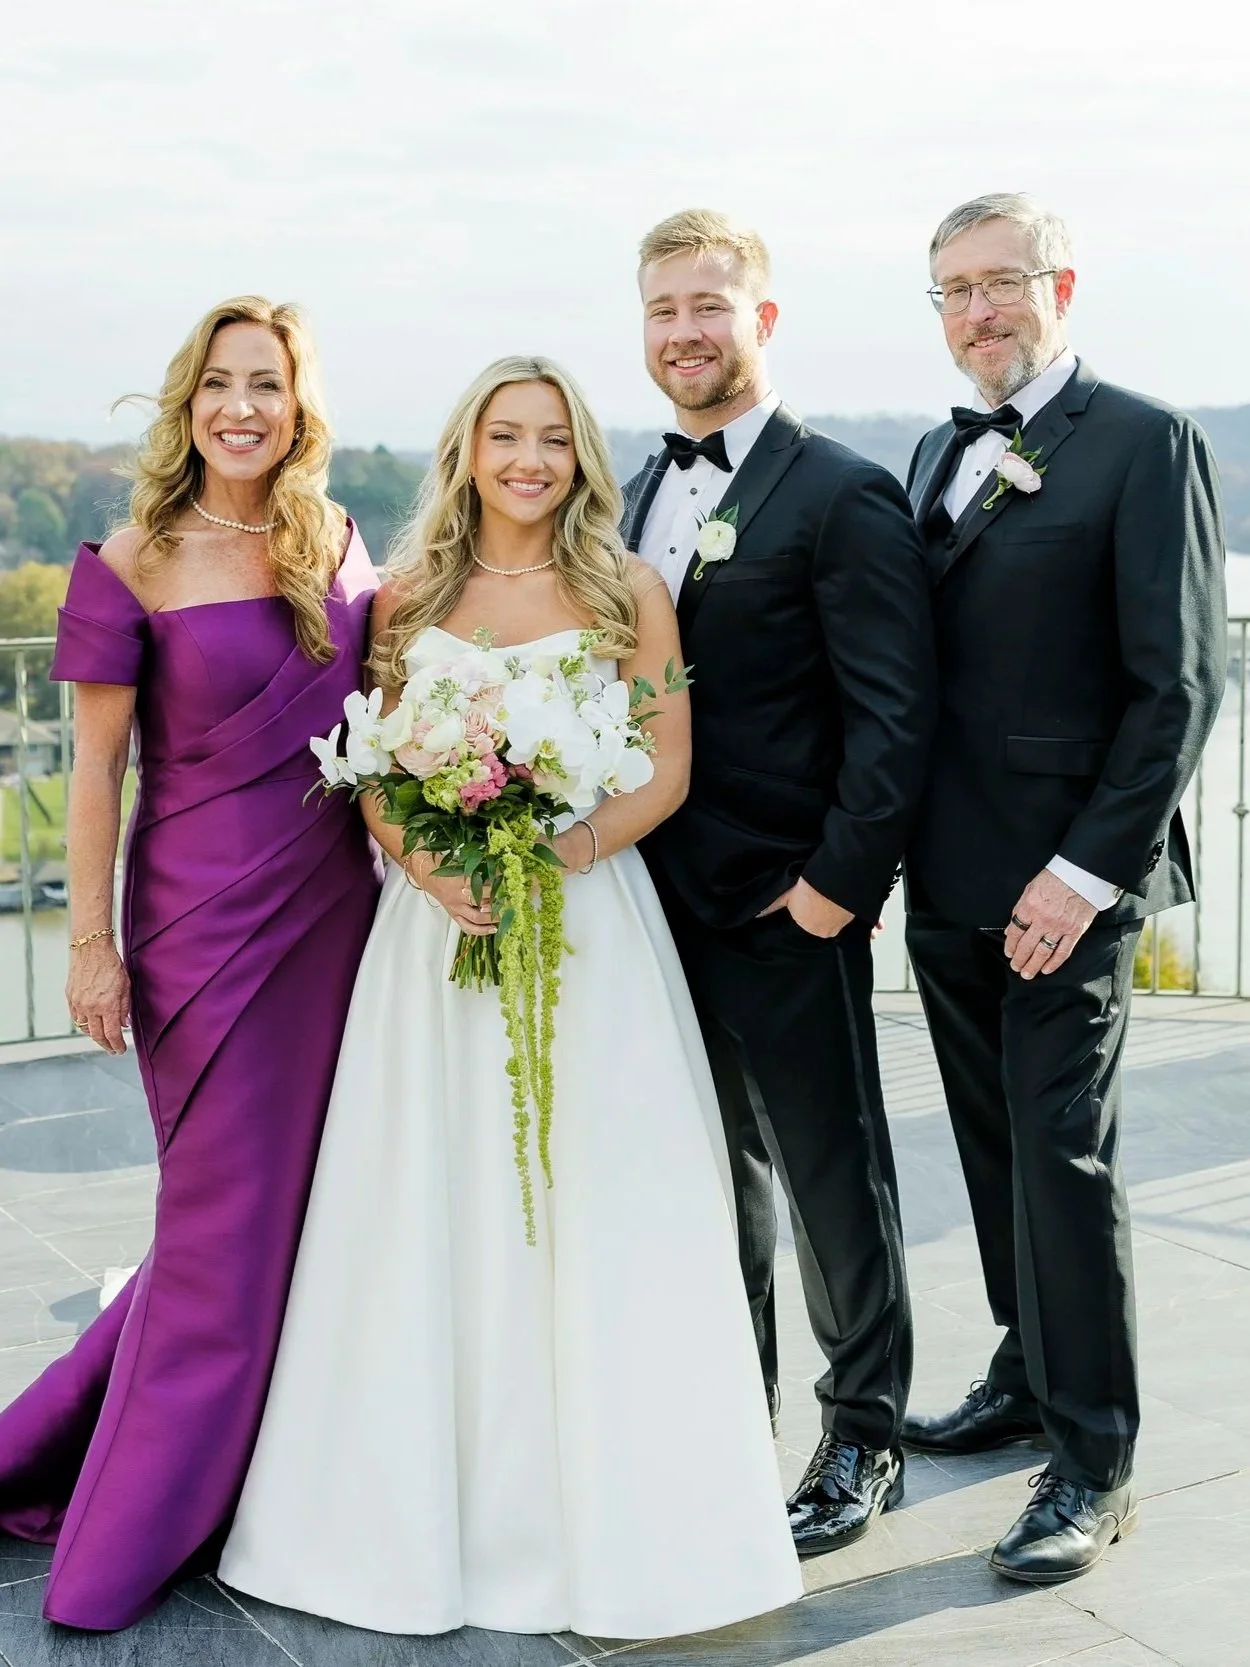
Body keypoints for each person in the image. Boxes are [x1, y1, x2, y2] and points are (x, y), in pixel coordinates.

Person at [217, 356, 803, 1640]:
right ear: (468, 449)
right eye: (505, 435)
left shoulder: (627, 589)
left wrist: (562, 852)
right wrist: (432, 863)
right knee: (430, 1201)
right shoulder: (412, 591)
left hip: (586, 931)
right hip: (433, 947)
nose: (527, 459)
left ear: (580, 456)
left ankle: (622, 1521)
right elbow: (371, 764)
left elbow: (661, 767)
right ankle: (405, 1515)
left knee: (593, 1203)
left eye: (551, 438)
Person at [0, 298, 381, 1630]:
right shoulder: (129, 560)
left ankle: (108, 1457)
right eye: (219, 383)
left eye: (265, 384)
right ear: (188, 402)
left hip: (339, 918)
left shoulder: (333, 537)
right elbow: (97, 769)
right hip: (200, 932)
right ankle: (126, 1536)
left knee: (285, 1218)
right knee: (224, 1227)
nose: (241, 407)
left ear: (297, 404)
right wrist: (90, 943)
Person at [902, 193, 1227, 1584]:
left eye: (1000, 282)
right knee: (987, 1147)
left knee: (1059, 1150)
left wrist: (1085, 871)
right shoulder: (932, 448)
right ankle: (1024, 1367)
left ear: (1060, 283)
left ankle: (1090, 1457)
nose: (978, 311)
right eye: (952, 291)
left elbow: (1178, 681)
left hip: (1068, 883)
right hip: (946, 871)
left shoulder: (1145, 439)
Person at [623, 209, 936, 1557]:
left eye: (707, 304)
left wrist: (831, 892)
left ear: (762, 317)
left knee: (830, 1174)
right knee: (709, 1179)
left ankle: (863, 1430)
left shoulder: (840, 491)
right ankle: (722, 1420)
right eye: (661, 309)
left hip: (781, 905)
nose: (684, 331)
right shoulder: (634, 488)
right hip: (652, 906)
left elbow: (894, 719)